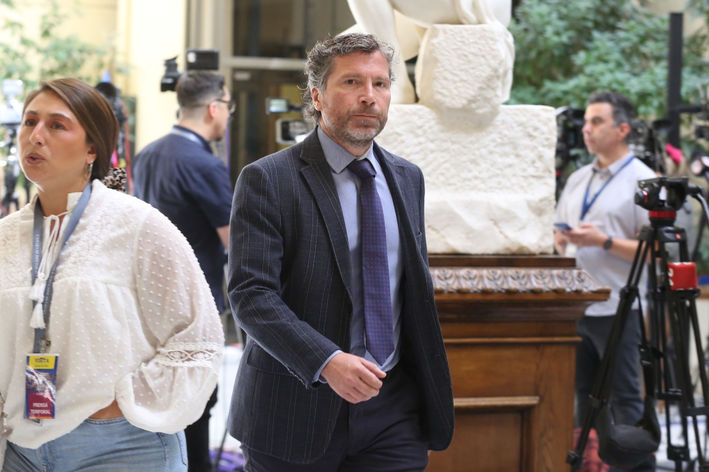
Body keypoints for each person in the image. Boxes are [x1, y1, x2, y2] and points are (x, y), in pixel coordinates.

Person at [227, 33, 454, 472]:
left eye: (380, 84)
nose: (369, 96)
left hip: (393, 408)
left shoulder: (408, 178)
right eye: (352, 82)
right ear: (317, 96)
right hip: (296, 407)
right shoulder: (268, 179)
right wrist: (326, 362)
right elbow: (250, 295)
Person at [0, 78, 224, 471]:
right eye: (30, 121)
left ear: (92, 148)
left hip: (122, 447)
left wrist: (123, 403)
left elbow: (198, 337)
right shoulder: (6, 236)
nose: (35, 135)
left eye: (56, 125)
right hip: (23, 446)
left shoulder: (138, 225)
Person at [133, 71, 233, 471]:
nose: (229, 115)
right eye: (228, 106)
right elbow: (235, 241)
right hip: (194, 305)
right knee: (197, 407)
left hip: (146, 303)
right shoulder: (204, 164)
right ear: (214, 108)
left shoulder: (147, 154)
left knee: (156, 407)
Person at [554, 91, 657, 472]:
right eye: (586, 121)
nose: (587, 129)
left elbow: (657, 251)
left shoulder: (644, 180)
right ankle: (592, 466)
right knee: (583, 397)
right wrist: (561, 239)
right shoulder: (578, 178)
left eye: (597, 121)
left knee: (624, 398)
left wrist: (603, 241)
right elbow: (558, 233)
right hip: (574, 306)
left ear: (622, 129)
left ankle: (636, 468)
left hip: (619, 306)